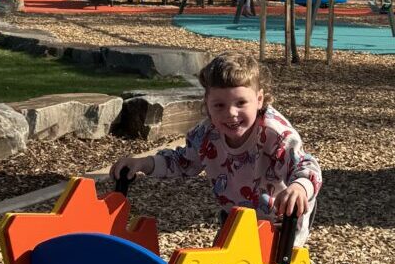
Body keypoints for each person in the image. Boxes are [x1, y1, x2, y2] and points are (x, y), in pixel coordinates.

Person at [110, 51, 322, 246]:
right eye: (219, 105)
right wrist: (142, 163)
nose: (230, 113)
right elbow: (182, 161)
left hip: (280, 220)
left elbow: (308, 166)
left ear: (259, 100)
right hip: (234, 213)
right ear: (207, 102)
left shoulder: (275, 135)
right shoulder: (206, 134)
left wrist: (299, 188)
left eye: (240, 103)